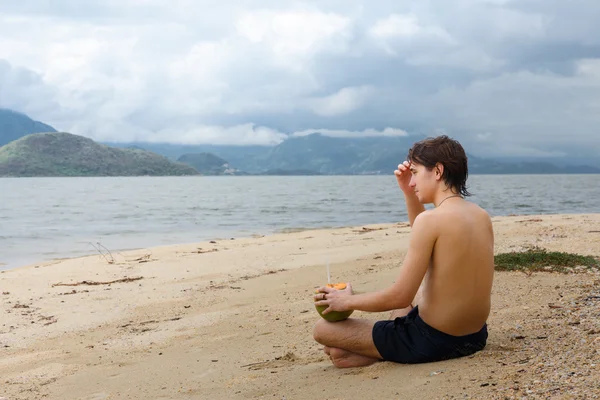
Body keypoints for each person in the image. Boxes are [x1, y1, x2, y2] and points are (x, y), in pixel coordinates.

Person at [313, 135, 494, 368]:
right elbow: (428, 234)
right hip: (475, 337)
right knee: (418, 293)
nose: (412, 182)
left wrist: (346, 301)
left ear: (437, 171)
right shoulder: (481, 215)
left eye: (416, 173)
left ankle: (380, 351)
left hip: (432, 340)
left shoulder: (431, 220)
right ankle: (374, 349)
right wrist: (409, 194)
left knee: (323, 330)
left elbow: (400, 296)